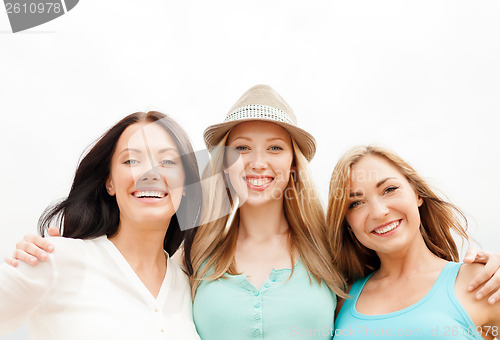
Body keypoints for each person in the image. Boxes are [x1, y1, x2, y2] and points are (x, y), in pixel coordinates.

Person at [0, 112, 201, 340]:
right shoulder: (54, 259)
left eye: (167, 161)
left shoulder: (191, 286)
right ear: (110, 182)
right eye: (131, 161)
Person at [328, 145, 500, 339]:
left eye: (389, 189)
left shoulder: (482, 281)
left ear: (417, 194)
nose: (378, 212)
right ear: (347, 223)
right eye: (356, 203)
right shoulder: (340, 300)